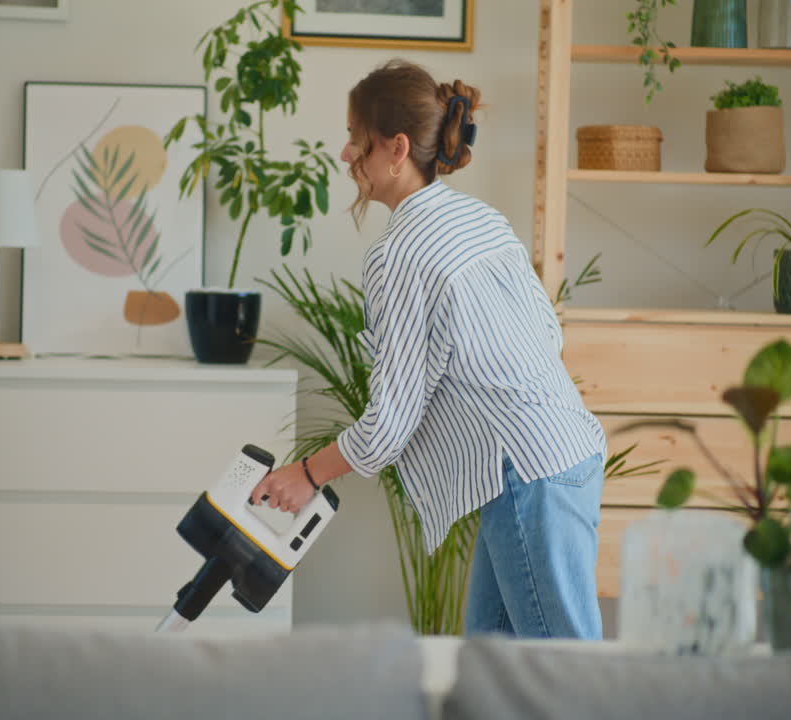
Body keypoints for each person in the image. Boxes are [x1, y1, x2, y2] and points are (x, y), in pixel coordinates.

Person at [250, 60, 606, 639]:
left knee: (564, 680)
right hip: (567, 454)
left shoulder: (399, 254)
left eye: (354, 140)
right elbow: (548, 334)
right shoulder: (480, 219)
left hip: (525, 475)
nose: (345, 155)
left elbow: (389, 422)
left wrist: (308, 474)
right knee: (492, 671)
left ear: (394, 148)